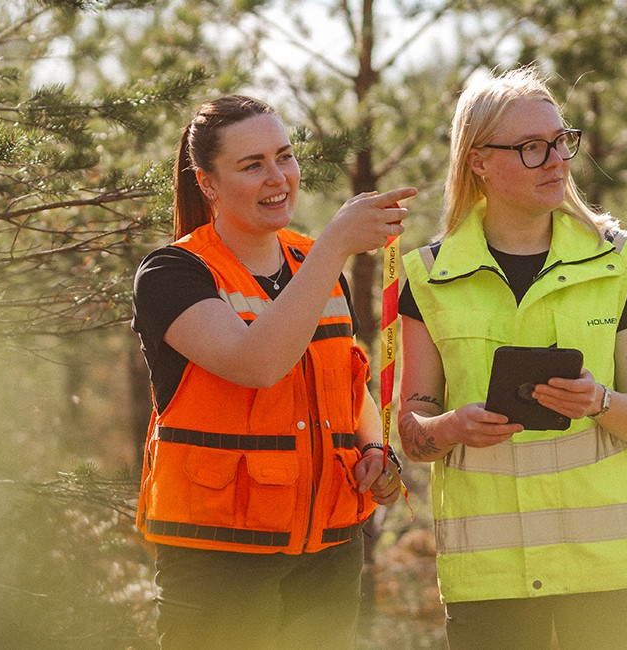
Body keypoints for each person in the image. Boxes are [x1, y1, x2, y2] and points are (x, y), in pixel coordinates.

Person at [131, 94, 415, 650]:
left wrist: (376, 453)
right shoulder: (172, 273)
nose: (278, 177)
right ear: (207, 182)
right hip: (220, 560)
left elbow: (346, 384)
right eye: (252, 164)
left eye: (284, 156)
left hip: (329, 554)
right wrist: (334, 247)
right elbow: (256, 364)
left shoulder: (314, 261)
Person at [397, 66, 627, 649]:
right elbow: (411, 433)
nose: (555, 160)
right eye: (530, 147)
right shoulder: (428, 276)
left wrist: (600, 400)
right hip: (489, 581)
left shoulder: (619, 263)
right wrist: (449, 426)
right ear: (478, 161)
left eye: (561, 141)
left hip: (607, 571)